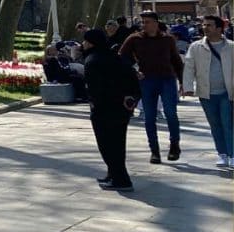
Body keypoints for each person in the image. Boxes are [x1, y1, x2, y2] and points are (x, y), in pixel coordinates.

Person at [120, 10, 184, 164]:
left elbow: (176, 60)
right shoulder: (135, 39)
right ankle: (154, 151)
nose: (144, 25)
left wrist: (183, 81)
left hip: (167, 79)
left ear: (156, 23)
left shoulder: (167, 39)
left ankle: (174, 145)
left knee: (170, 113)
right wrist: (134, 70)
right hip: (146, 80)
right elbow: (122, 57)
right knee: (149, 117)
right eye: (142, 22)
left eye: (147, 22)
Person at [83, 27, 140, 191]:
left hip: (104, 109)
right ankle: (113, 174)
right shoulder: (116, 57)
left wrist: (94, 104)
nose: (83, 43)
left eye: (86, 40)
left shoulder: (93, 60)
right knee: (118, 143)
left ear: (91, 42)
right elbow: (133, 79)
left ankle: (121, 179)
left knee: (107, 145)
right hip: (121, 108)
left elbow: (94, 88)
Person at [181, 15, 233, 167]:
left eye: (209, 25)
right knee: (215, 124)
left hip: (227, 92)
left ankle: (232, 154)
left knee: (228, 123)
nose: (205, 28)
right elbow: (189, 67)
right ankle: (222, 154)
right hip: (206, 93)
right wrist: (188, 87)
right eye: (204, 25)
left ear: (219, 28)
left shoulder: (231, 47)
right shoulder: (196, 47)